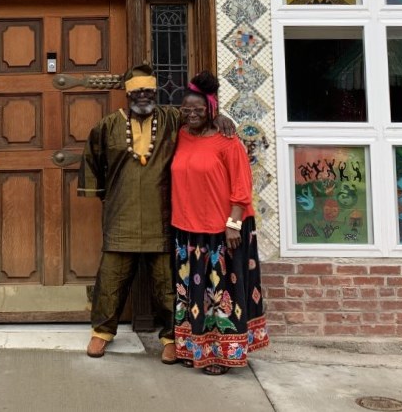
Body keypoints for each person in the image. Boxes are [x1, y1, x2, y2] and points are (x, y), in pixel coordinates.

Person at [79, 63, 182, 362]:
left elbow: (201, 120)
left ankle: (171, 338)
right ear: (127, 94)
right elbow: (92, 162)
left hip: (161, 216)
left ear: (156, 91)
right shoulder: (107, 126)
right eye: (137, 91)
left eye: (148, 90)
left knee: (166, 283)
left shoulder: (173, 119)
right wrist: (105, 196)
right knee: (111, 279)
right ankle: (101, 333)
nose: (143, 96)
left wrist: (222, 119)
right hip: (120, 215)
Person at [170, 71, 269, 374]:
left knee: (220, 297)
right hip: (186, 230)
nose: (192, 114)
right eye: (186, 109)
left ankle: (221, 355)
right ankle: (192, 347)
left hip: (222, 231)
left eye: (198, 109)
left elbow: (242, 188)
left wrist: (233, 225)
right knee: (190, 295)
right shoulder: (180, 135)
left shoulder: (228, 141)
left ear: (211, 108)